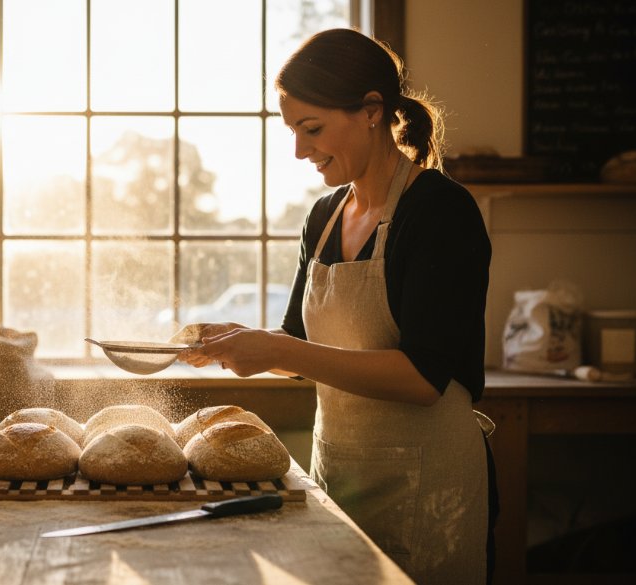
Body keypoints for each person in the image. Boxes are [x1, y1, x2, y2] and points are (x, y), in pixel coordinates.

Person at [177, 28, 496, 585]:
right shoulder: (324, 217)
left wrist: (280, 347)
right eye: (294, 131)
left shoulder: (440, 211)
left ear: (372, 110)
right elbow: (299, 345)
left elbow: (424, 377)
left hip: (429, 487)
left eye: (312, 128)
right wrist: (240, 341)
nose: (300, 150)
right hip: (340, 475)